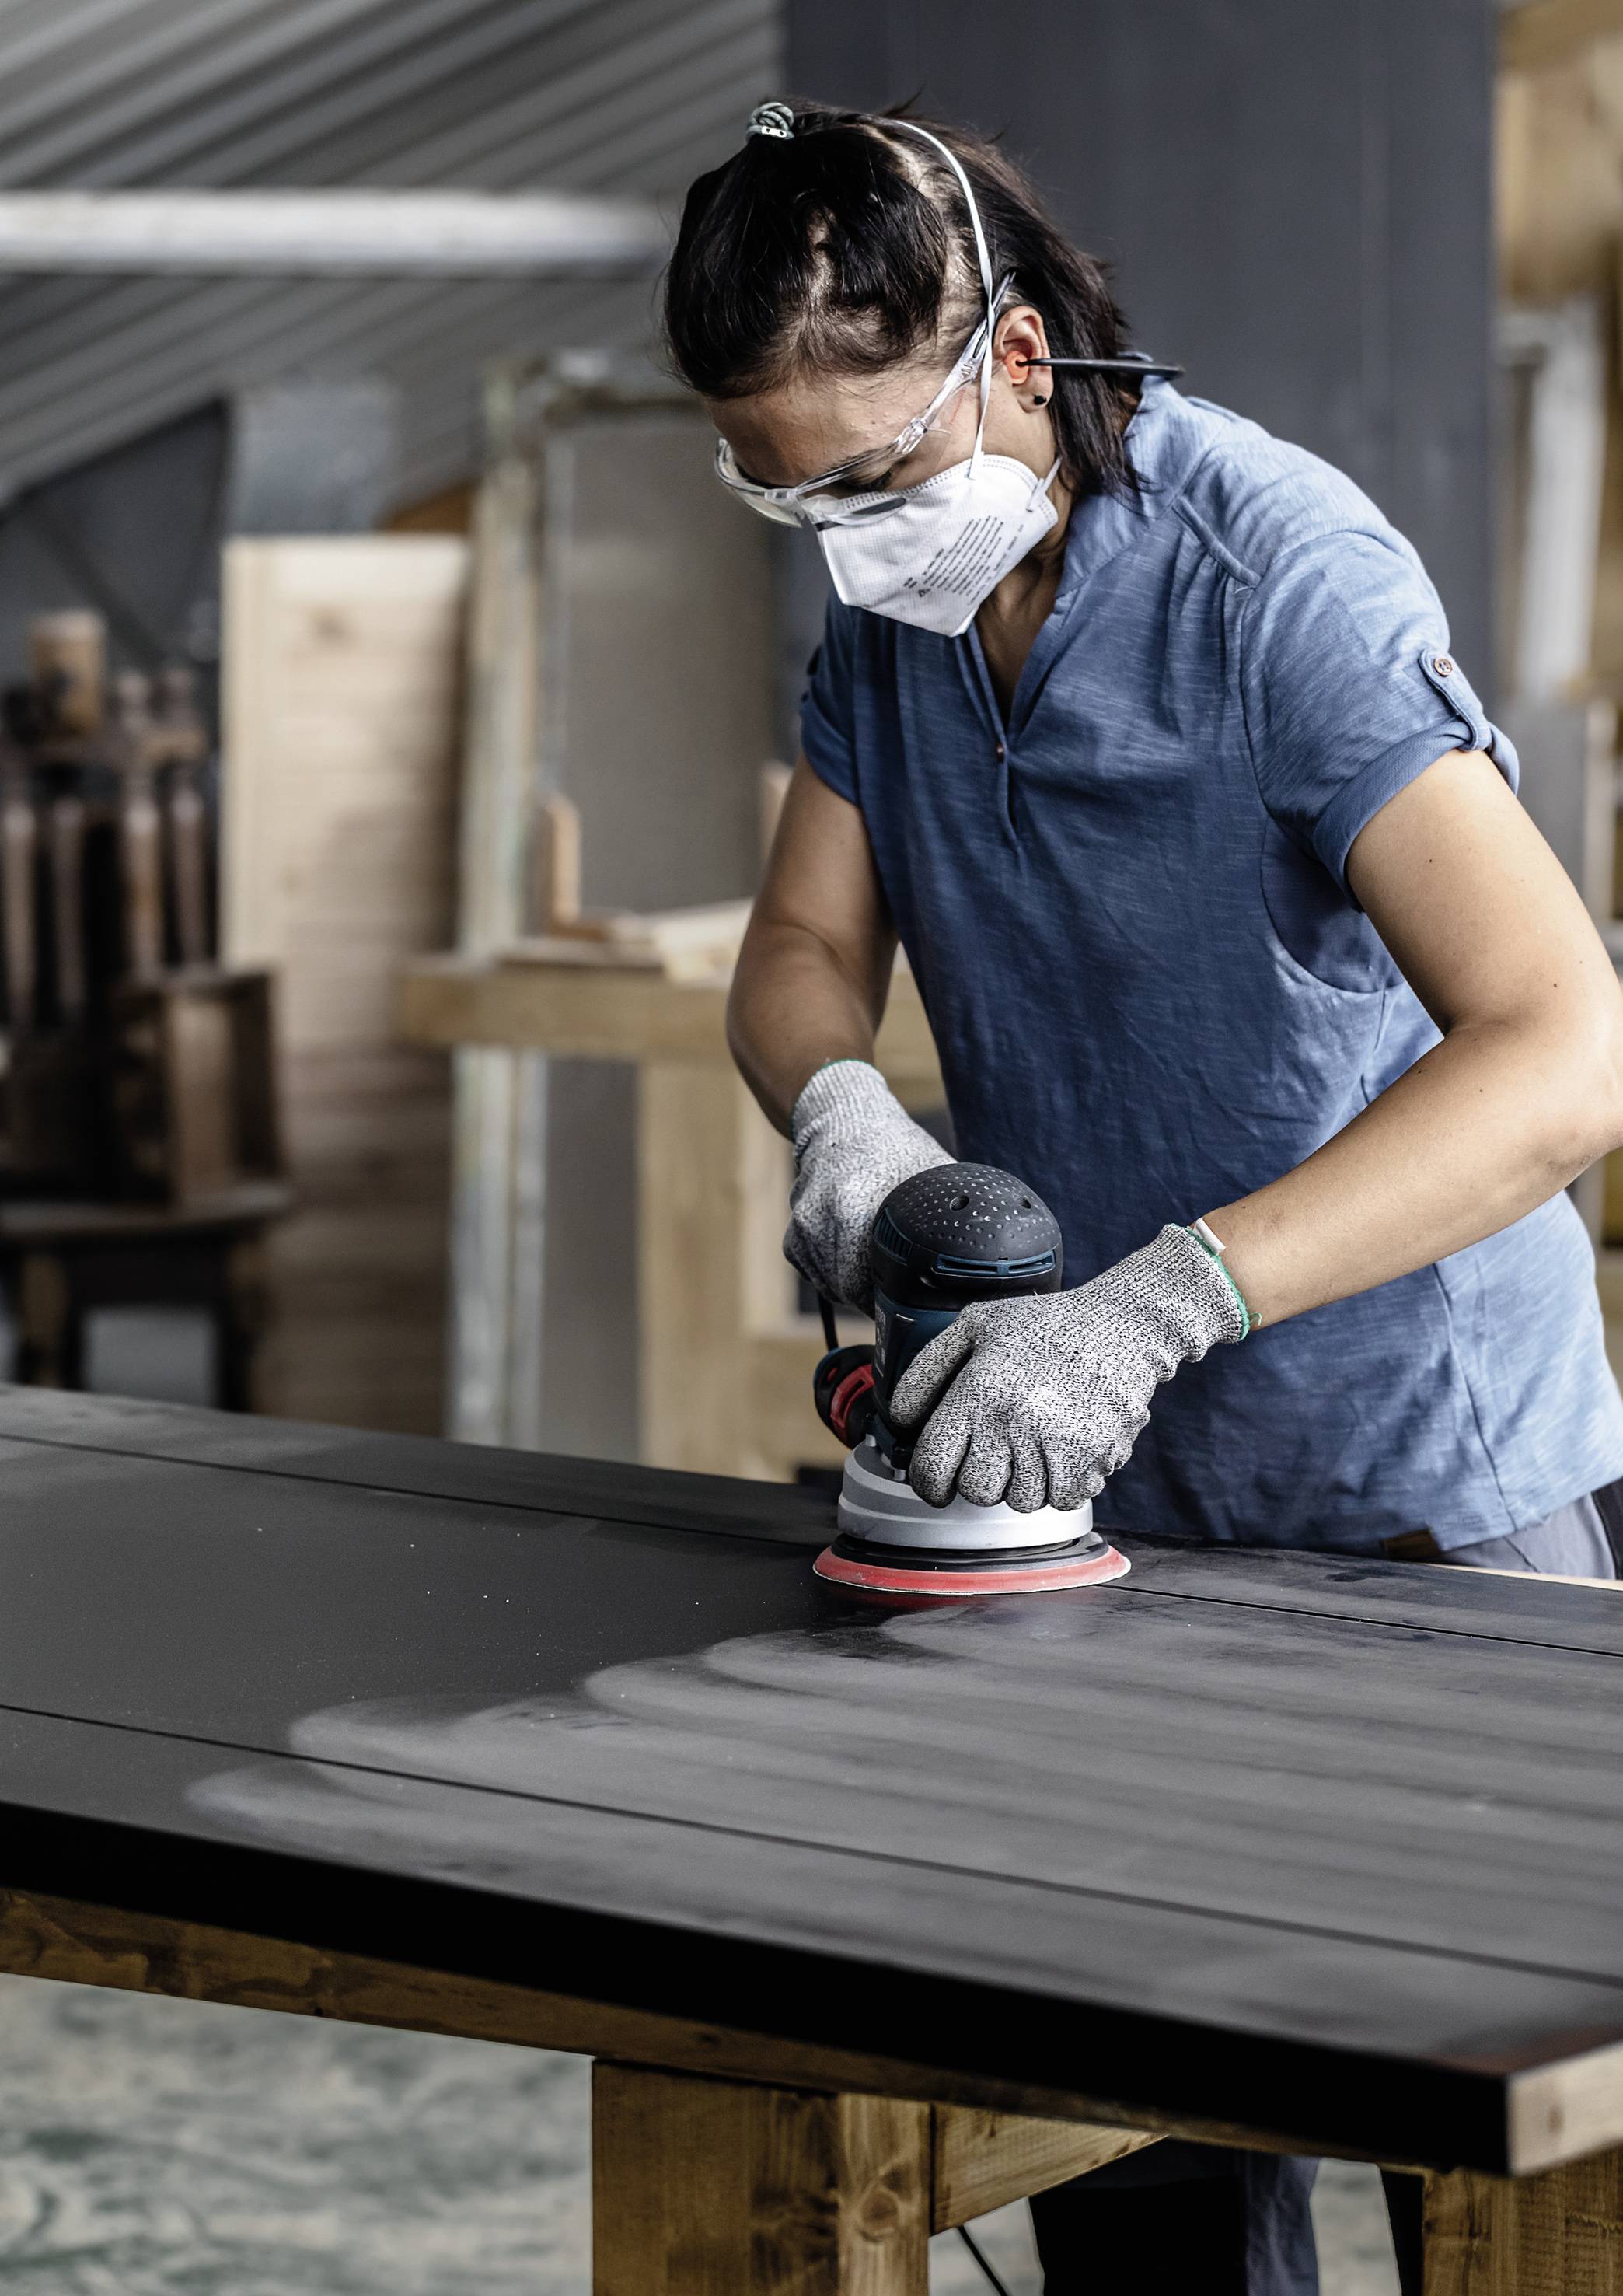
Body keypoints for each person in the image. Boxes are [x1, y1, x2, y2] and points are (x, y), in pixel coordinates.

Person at [662, 99, 1623, 2296]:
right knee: (1139, 2182)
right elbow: (801, 944)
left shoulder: (1281, 581)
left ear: (1013, 355)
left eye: (868, 479)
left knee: (1499, 2177)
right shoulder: (895, 613)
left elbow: (1567, 1047)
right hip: (1083, 1498)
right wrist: (840, 1108)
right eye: (785, 496)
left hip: (1412, 1488)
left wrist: (1157, 1303)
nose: (844, 541)